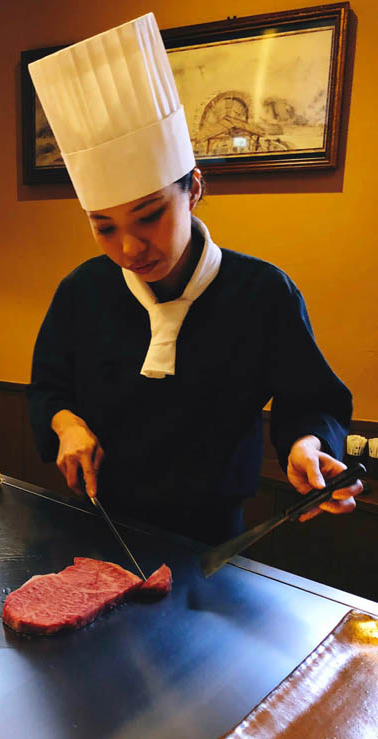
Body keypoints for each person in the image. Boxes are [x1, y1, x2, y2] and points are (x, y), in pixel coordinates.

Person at [26, 13, 362, 546]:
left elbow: (314, 400)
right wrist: (67, 424)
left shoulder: (263, 293)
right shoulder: (82, 290)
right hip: (96, 520)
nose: (130, 249)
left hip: (213, 534)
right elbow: (48, 388)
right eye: (104, 227)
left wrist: (306, 443)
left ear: (195, 188)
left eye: (149, 215)